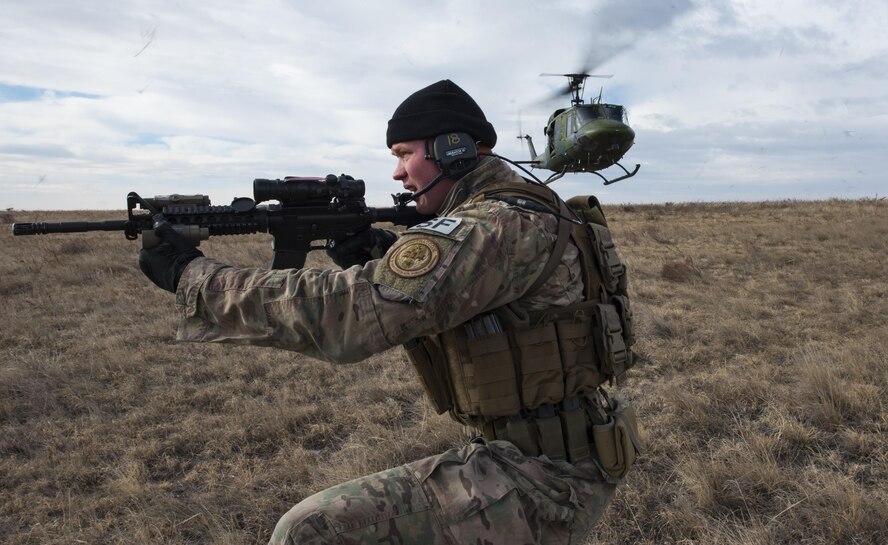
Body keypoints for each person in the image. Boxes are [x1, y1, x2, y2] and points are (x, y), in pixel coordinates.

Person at [139, 79, 641, 545]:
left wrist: (195, 279)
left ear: (453, 149)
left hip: (545, 480)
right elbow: (463, 288)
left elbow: (352, 317)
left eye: (404, 154)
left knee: (309, 532)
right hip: (565, 451)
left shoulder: (496, 224)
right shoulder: (526, 206)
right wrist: (378, 251)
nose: (398, 172)